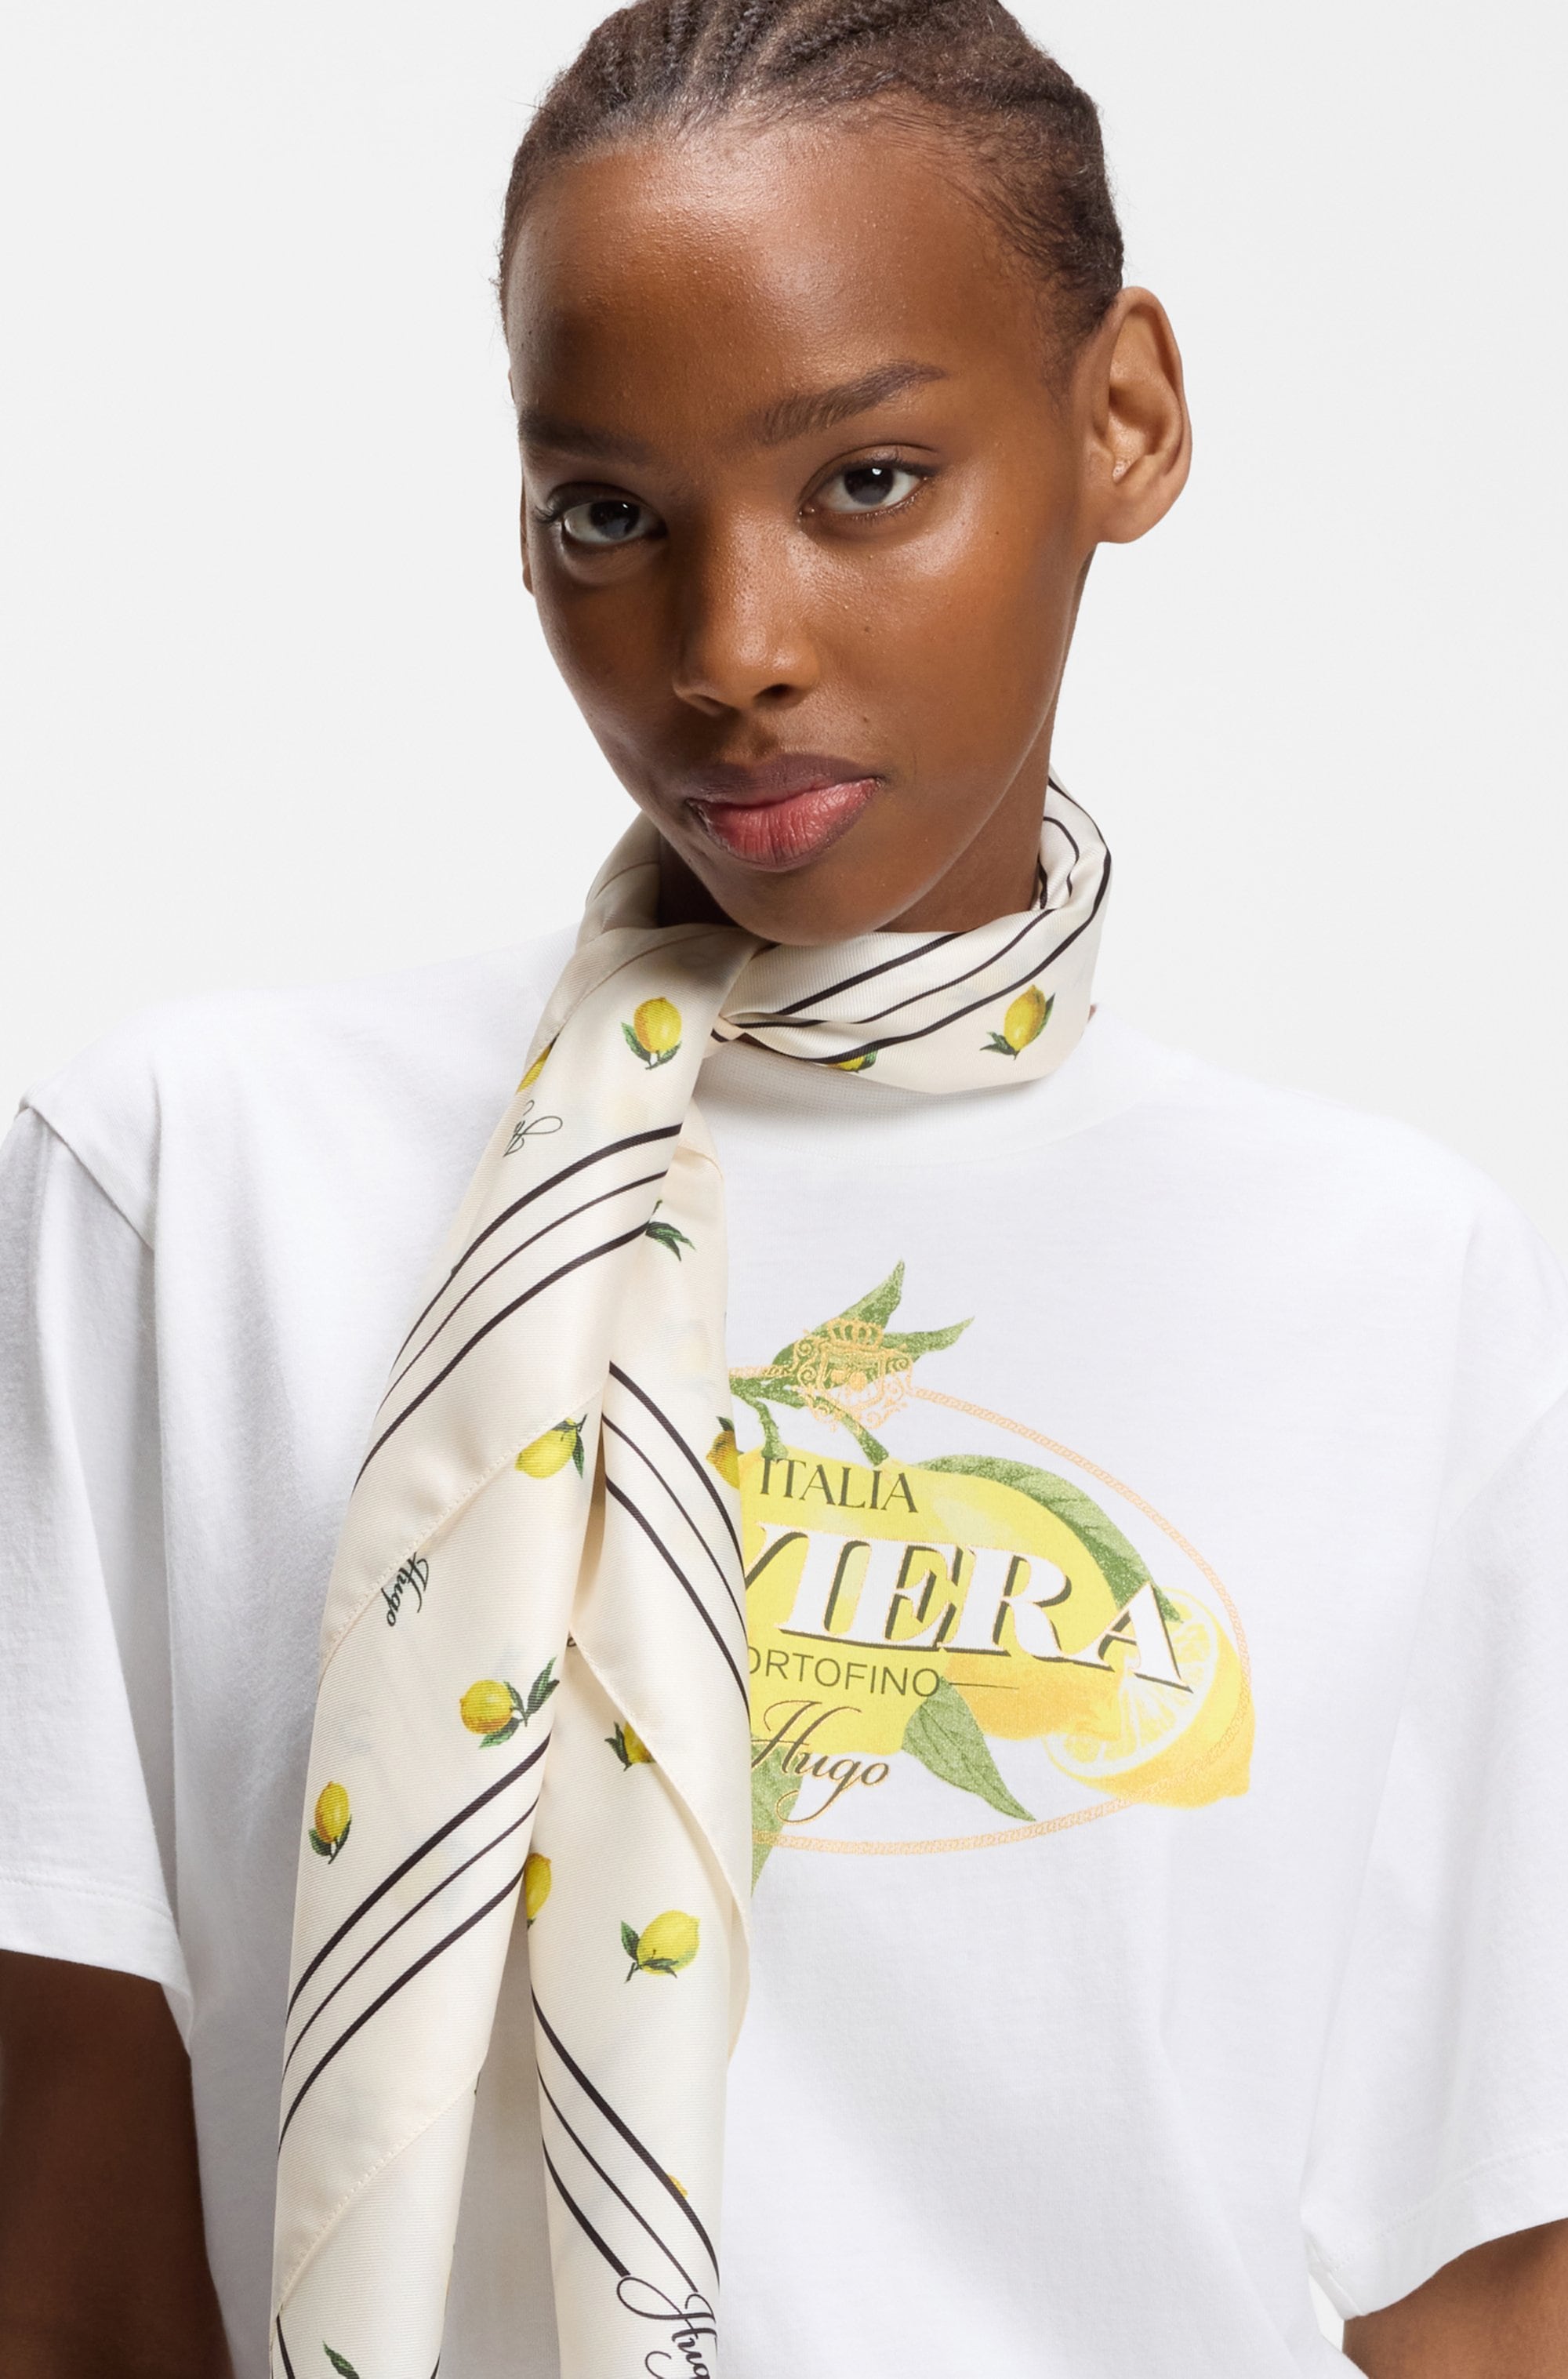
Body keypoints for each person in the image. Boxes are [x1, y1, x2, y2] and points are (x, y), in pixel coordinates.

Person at [2, 1, 1566, 2373]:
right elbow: (74, 2227)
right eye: (608, 517)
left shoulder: (1398, 1292)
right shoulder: (191, 1191)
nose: (728, 652)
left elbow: (1487, 2284)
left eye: (867, 482)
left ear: (1124, 418)